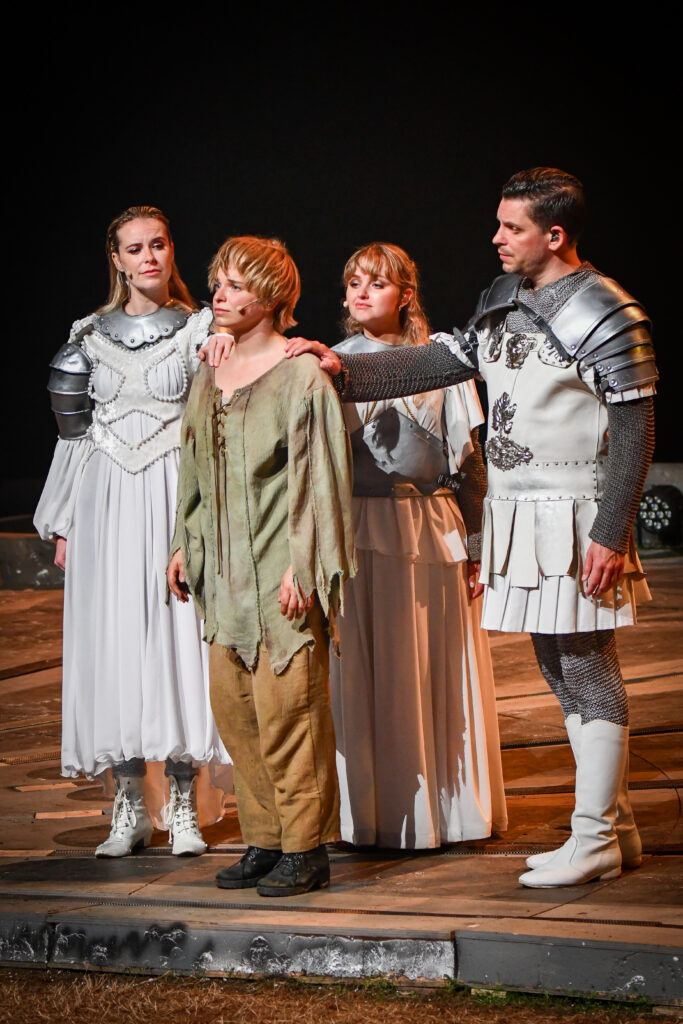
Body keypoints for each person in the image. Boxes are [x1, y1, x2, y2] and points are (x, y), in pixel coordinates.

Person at [285, 168, 657, 888]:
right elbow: (444, 359)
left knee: (585, 666)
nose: (495, 237)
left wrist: (610, 532)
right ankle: (615, 828)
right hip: (524, 509)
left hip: (575, 511)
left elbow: (635, 421)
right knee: (557, 667)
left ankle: (594, 836)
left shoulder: (605, 309)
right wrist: (345, 370)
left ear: (553, 235)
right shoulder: (501, 298)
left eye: (510, 227)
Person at [35, 206, 231, 858]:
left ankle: (181, 805)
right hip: (108, 500)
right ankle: (126, 807)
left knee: (176, 647)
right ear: (116, 258)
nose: (148, 257)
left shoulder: (200, 328)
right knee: (115, 645)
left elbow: (214, 423)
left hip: (172, 496)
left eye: (158, 245)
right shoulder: (87, 335)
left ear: (171, 250)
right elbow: (74, 437)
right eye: (134, 248)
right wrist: (63, 521)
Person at [167, 235, 356, 897]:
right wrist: (179, 546)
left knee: (290, 711)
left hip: (281, 570)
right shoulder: (209, 371)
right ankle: (265, 838)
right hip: (224, 579)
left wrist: (303, 566)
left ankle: (305, 847)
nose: (221, 294)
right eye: (218, 281)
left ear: (274, 298)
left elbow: (320, 479)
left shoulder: (299, 375)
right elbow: (190, 464)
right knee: (237, 713)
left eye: (238, 285)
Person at [329, 242, 506, 848]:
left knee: (431, 663)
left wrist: (479, 545)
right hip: (358, 529)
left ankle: (444, 809)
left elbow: (469, 464)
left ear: (405, 294)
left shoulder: (438, 361)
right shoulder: (328, 362)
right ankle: (373, 813)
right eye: (353, 282)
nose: (360, 293)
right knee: (368, 665)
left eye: (376, 283)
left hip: (429, 527)